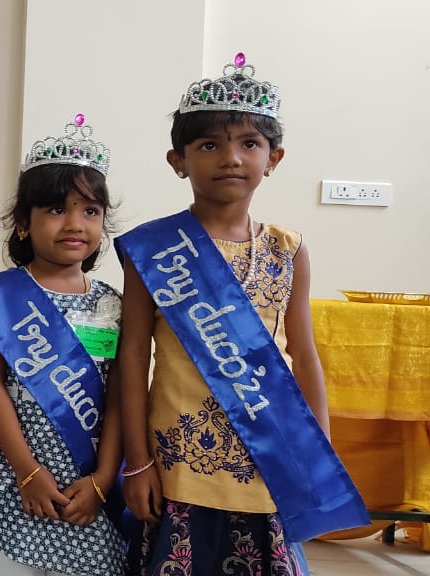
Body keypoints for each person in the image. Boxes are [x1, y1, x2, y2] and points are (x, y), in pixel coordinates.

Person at [116, 53, 368, 575]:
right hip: (180, 457)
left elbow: (304, 354)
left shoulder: (286, 248)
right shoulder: (152, 249)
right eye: (209, 145)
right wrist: (137, 462)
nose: (230, 157)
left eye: (249, 144)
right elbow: (133, 357)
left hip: (270, 450)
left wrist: (316, 450)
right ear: (178, 160)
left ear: (273, 158)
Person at [0, 115, 127, 575]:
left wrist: (104, 479)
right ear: (23, 224)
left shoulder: (113, 304)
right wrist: (27, 471)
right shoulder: (0, 298)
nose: (74, 224)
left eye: (90, 211)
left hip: (85, 479)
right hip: (7, 473)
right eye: (56, 210)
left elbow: (119, 398)